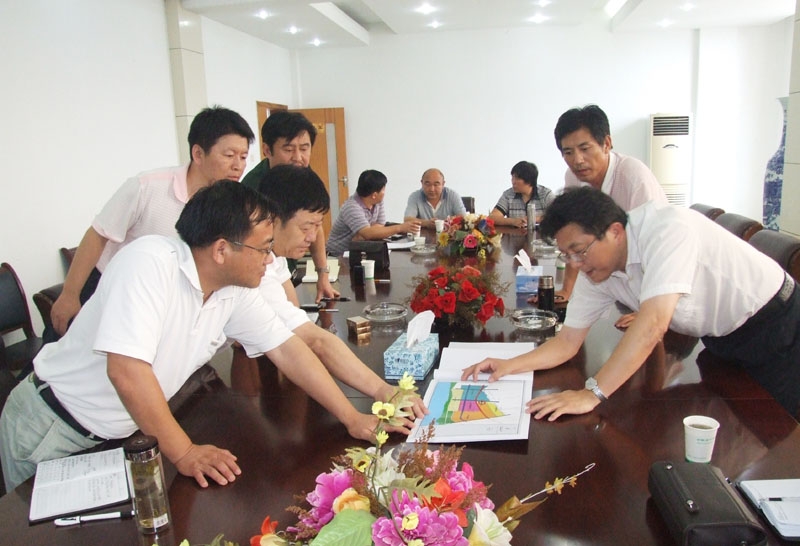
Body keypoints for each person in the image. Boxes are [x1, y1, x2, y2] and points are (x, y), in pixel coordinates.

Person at [0, 182, 417, 492]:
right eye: (263, 248)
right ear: (221, 249)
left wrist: (352, 417)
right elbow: (126, 372)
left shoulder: (233, 288)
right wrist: (184, 452)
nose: (270, 260)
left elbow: (291, 351)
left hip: (123, 434)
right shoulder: (149, 264)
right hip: (54, 428)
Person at [463, 187, 800, 421]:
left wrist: (591, 393)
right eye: (567, 255)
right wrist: (510, 365)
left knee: (775, 437)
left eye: (579, 251)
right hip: (721, 336)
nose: (575, 264)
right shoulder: (597, 268)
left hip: (776, 324)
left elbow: (653, 325)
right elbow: (567, 342)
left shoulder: (667, 229)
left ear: (615, 231)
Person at [48, 106, 254, 341]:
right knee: (64, 353)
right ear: (198, 154)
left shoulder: (228, 204)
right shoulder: (147, 186)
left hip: (159, 302)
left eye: (243, 157)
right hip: (106, 288)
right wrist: (70, 294)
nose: (238, 165)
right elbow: (98, 234)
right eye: (229, 155)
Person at [256, 164, 427, 410]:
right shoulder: (255, 269)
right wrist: (371, 400)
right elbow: (314, 341)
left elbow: (296, 322)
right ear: (272, 219)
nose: (313, 237)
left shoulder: (274, 257)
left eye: (317, 226)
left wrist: (381, 391)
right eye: (306, 227)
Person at [549, 104, 668, 306]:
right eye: (568, 152)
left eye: (585, 149)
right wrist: (567, 290)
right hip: (615, 280)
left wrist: (645, 308)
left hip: (655, 284)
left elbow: (656, 246)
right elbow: (572, 239)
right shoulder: (573, 178)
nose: (577, 160)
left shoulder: (633, 177)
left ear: (606, 144)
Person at [241, 111, 337, 302]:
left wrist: (323, 275)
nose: (298, 157)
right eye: (288, 149)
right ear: (267, 150)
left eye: (304, 148)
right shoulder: (252, 189)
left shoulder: (301, 173)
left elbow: (313, 225)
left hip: (284, 268)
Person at [326, 170, 421, 256]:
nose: (384, 192)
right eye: (383, 189)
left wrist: (368, 233)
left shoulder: (378, 201)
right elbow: (368, 234)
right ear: (374, 195)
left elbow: (380, 225)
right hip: (338, 255)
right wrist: (400, 228)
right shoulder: (351, 207)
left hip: (360, 250)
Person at [489, 161, 554, 228]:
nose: (513, 182)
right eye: (512, 177)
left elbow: (557, 216)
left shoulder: (546, 194)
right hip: (514, 234)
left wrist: (533, 219)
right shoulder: (508, 195)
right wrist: (513, 221)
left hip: (542, 234)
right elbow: (492, 218)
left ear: (529, 181)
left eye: (517, 178)